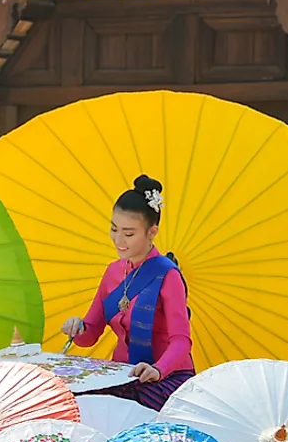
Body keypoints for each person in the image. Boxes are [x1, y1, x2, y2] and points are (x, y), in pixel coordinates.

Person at [60, 175, 194, 411]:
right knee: (76, 403)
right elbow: (90, 334)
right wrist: (76, 327)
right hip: (122, 375)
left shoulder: (168, 276)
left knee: (123, 411)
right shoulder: (112, 272)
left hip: (163, 378)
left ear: (152, 232)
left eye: (129, 234)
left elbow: (181, 341)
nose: (118, 240)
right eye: (114, 229)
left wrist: (158, 369)